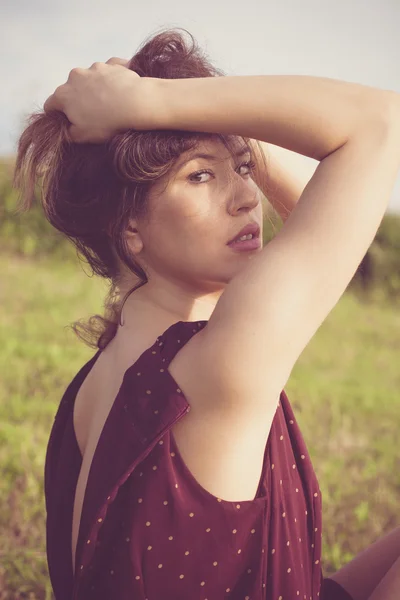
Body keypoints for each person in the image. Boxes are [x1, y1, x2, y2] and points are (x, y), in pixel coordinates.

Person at [13, 27, 400, 600]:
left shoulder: (109, 372)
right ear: (130, 226)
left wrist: (209, 125)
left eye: (242, 169)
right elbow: (379, 123)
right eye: (200, 176)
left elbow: (324, 219)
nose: (247, 198)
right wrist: (150, 102)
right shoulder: (217, 363)